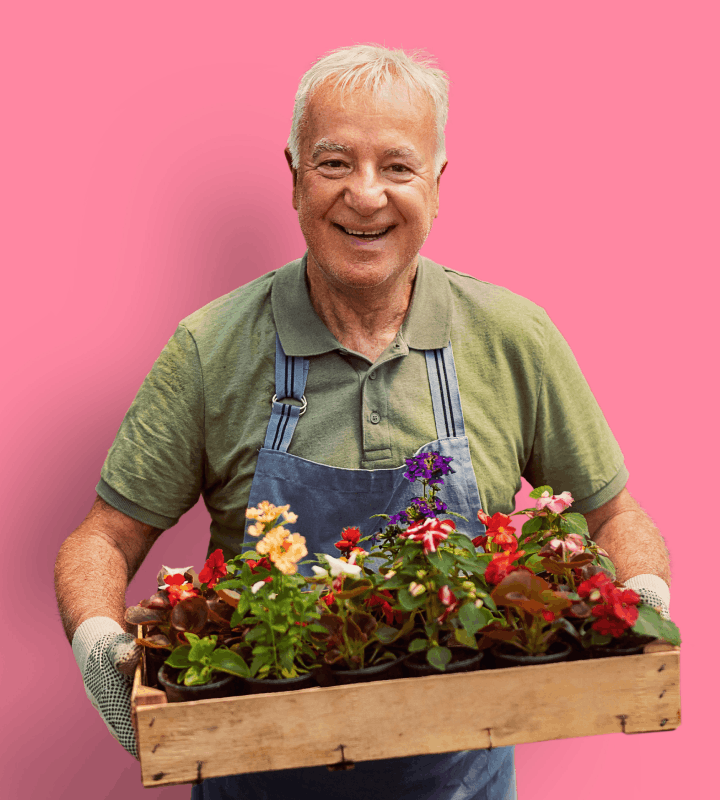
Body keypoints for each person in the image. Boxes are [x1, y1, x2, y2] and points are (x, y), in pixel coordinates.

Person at [54, 44, 671, 800]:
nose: (366, 195)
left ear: (438, 187)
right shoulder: (210, 349)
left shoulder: (515, 338)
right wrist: (99, 642)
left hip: (461, 785)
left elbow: (613, 512)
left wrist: (641, 597)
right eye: (334, 162)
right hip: (255, 782)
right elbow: (103, 536)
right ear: (292, 178)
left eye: (398, 167)